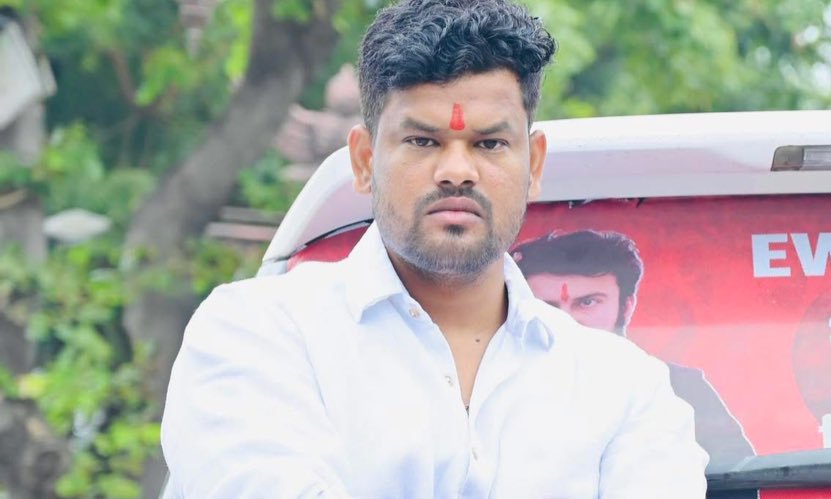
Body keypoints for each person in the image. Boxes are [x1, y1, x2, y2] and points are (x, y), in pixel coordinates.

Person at [159, 1, 708, 496]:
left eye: (490, 143)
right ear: (364, 161)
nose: (457, 171)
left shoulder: (621, 387)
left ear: (534, 164)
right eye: (423, 141)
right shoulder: (258, 334)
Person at [512, 230, 757, 466]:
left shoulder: (678, 385)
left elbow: (737, 473)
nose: (566, 320)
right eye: (547, 307)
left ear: (626, 307)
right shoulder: (503, 384)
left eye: (587, 302)